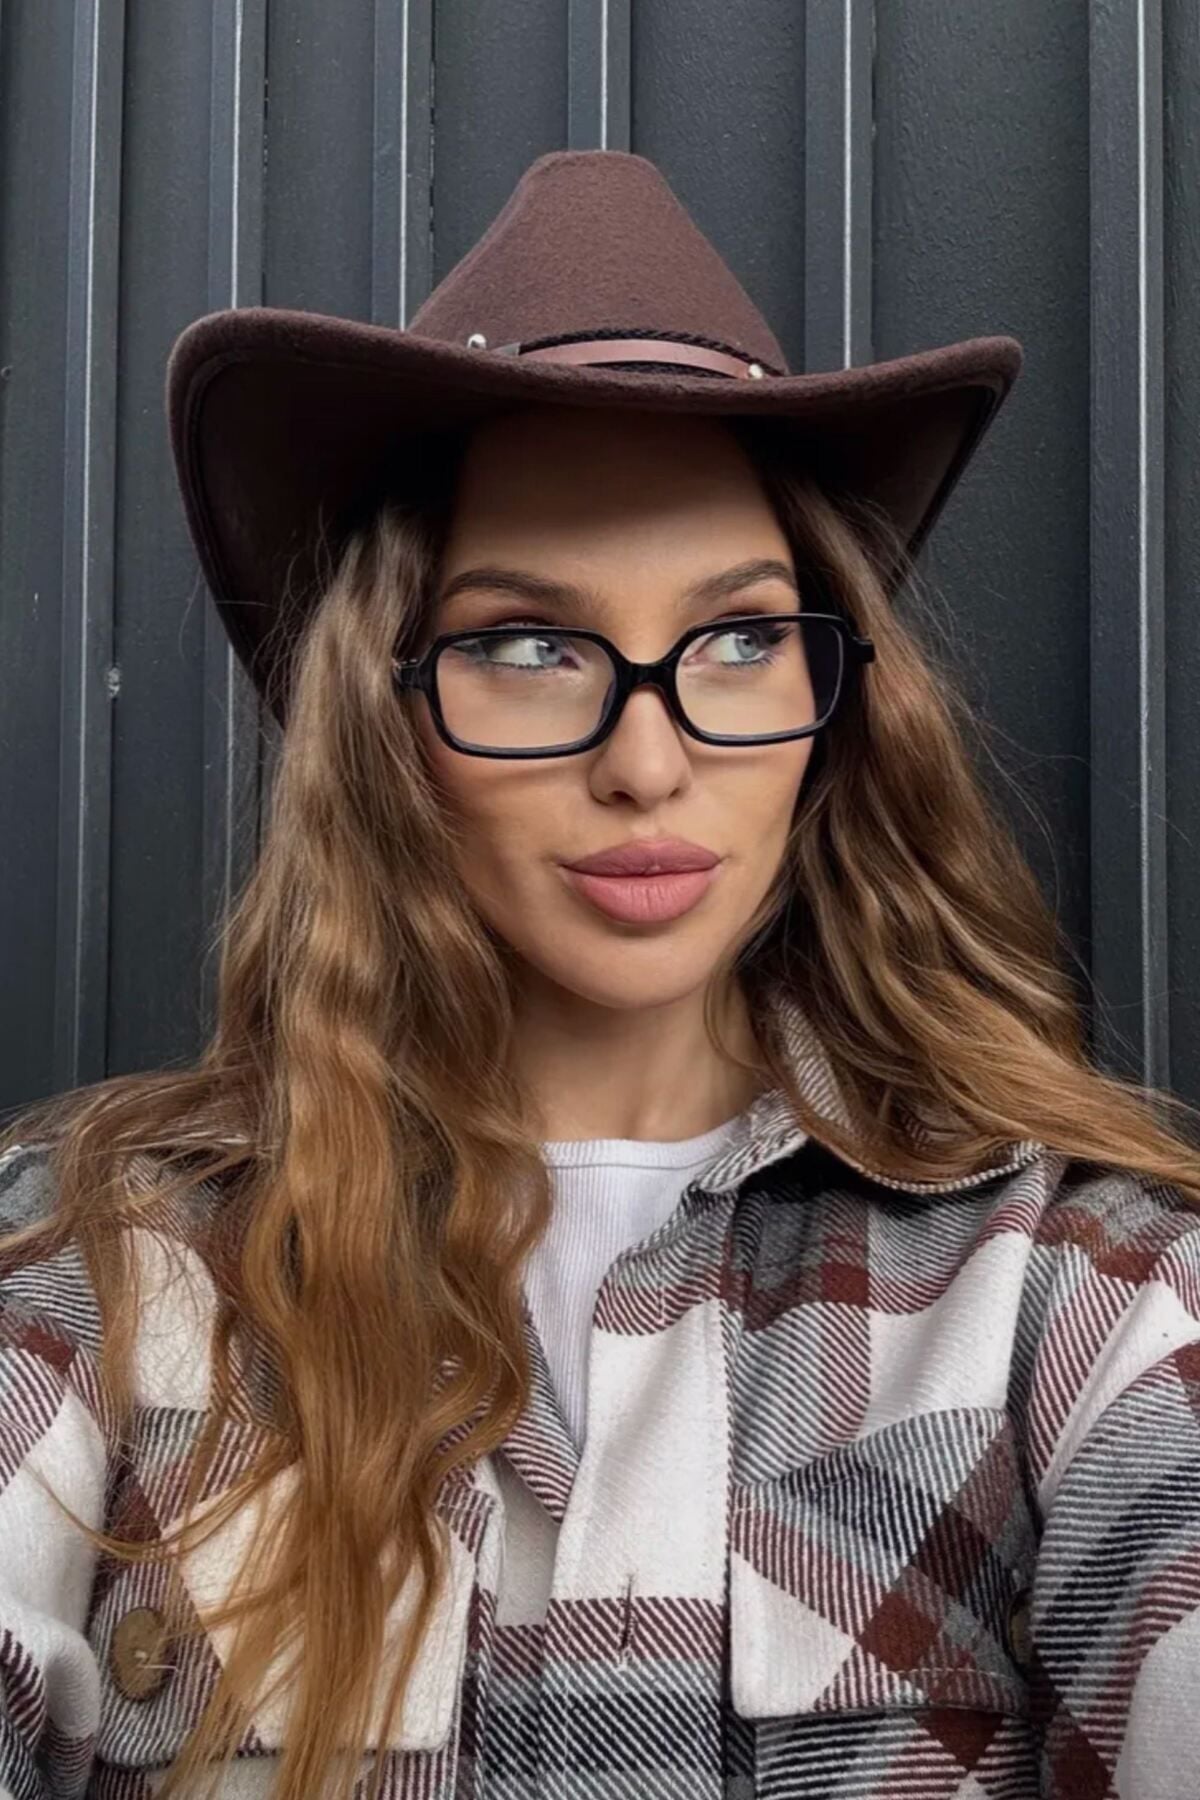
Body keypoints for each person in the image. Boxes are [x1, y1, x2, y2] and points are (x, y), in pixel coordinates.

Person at [0, 149, 1197, 1800]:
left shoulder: (1079, 1292)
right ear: (384, 717)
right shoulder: (95, 1271)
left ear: (836, 704)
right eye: (529, 644)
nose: (647, 763)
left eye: (739, 638)